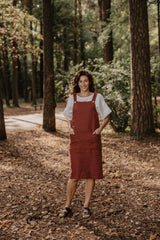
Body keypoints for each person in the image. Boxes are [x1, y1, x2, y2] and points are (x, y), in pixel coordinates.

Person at [59, 70, 111, 218]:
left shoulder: (97, 97)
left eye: (86, 81)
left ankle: (86, 206)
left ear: (90, 82)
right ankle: (67, 205)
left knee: (90, 174)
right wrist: (69, 128)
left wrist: (99, 129)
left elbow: (106, 115)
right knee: (74, 175)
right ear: (77, 83)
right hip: (76, 141)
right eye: (80, 81)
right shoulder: (73, 98)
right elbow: (68, 116)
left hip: (92, 141)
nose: (83, 84)